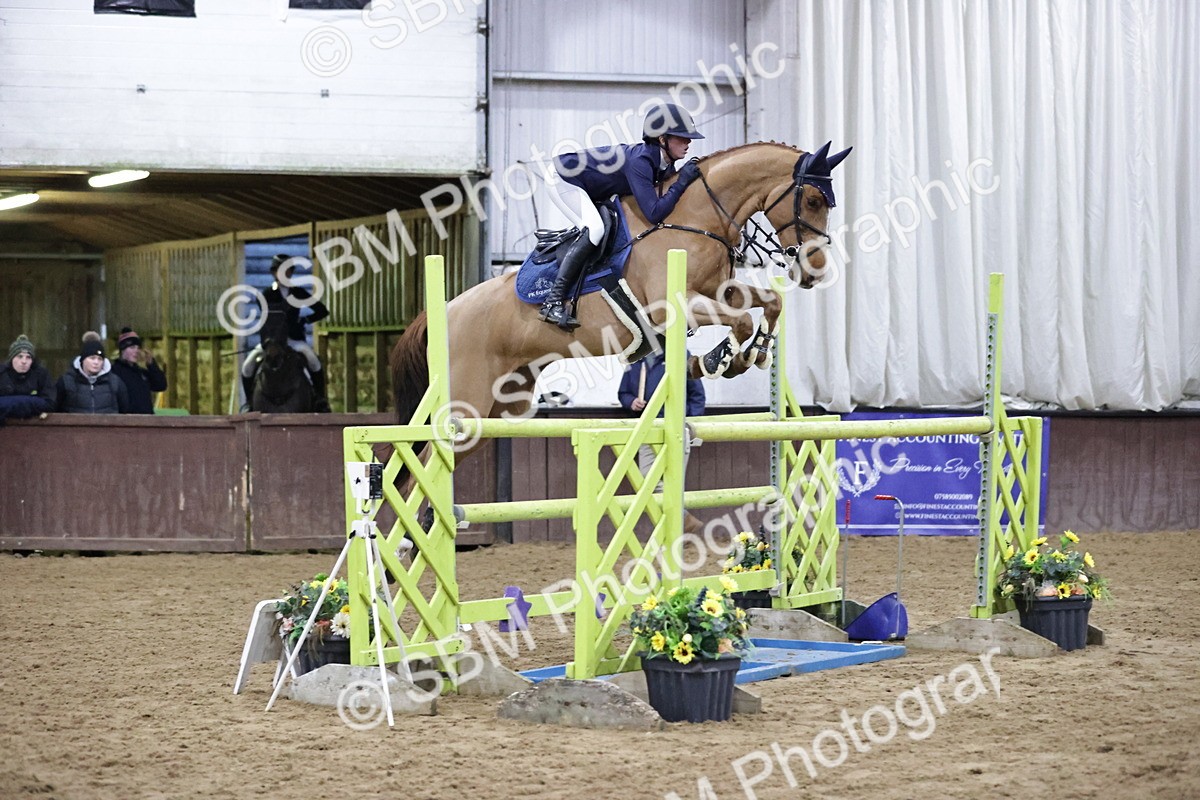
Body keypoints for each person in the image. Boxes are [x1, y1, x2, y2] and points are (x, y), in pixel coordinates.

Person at [539, 102, 706, 329]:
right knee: (595, 229)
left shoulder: (664, 164)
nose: (688, 143)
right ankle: (553, 301)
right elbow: (655, 213)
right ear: (662, 139)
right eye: (682, 137)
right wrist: (682, 181)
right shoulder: (642, 161)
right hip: (563, 179)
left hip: (590, 185)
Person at [617, 350, 706, 533]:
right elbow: (623, 392)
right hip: (647, 429)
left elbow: (697, 396)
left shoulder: (681, 356)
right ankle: (682, 519)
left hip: (676, 429)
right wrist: (631, 402)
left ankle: (672, 531)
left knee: (671, 480)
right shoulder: (635, 360)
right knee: (647, 480)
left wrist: (689, 423)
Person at [241, 254, 330, 412]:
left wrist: (304, 320)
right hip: (273, 342)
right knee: (247, 366)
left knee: (314, 362)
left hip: (293, 341)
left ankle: (320, 400)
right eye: (280, 271)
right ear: (274, 273)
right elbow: (267, 320)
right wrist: (269, 339)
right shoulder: (267, 294)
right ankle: (249, 402)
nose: (284, 274)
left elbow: (322, 310)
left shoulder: (298, 292)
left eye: (288, 270)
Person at [56, 331, 129, 414]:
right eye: (92, 358)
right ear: (83, 360)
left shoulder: (115, 383)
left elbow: (124, 410)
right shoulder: (66, 382)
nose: (96, 362)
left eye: (100, 359)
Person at [0, 334, 57, 424]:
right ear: (11, 358)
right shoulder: (2, 373)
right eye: (20, 356)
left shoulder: (41, 375)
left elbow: (49, 403)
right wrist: (32, 403)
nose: (24, 361)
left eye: (28, 357)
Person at [109, 327, 167, 414]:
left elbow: (161, 385)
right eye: (132, 347)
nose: (136, 351)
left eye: (138, 348)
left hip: (146, 421)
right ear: (123, 350)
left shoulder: (141, 373)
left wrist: (151, 365)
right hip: (126, 422)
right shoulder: (114, 372)